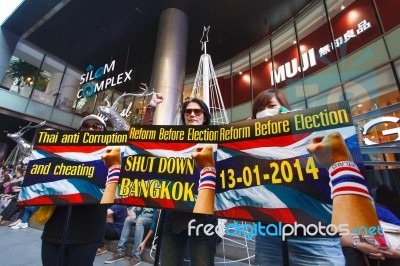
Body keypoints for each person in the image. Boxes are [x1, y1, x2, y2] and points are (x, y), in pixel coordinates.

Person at [252, 89, 346, 265]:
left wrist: (299, 125)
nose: (265, 112)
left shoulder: (308, 138)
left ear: (284, 109)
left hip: (316, 236)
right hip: (269, 236)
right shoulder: (252, 149)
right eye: (260, 108)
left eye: (272, 106)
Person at [143, 93, 218, 265]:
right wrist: (152, 106)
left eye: (197, 111)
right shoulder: (174, 139)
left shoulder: (217, 139)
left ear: (204, 116)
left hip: (204, 218)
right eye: (188, 111)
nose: (192, 114)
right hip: (173, 216)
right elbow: (145, 138)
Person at [41, 114, 111, 266]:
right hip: (55, 228)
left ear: (104, 133)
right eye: (86, 126)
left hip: (87, 232)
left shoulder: (111, 157)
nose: (90, 129)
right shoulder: (61, 153)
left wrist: (150, 108)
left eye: (96, 126)